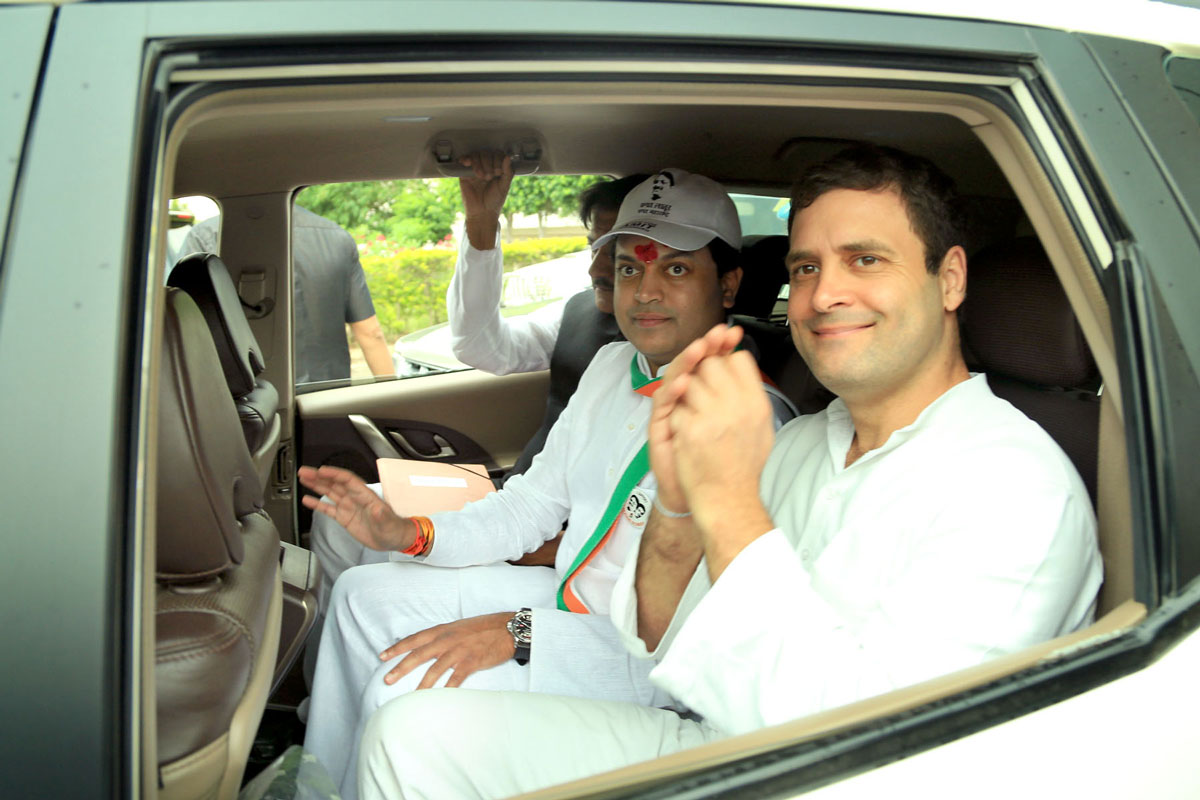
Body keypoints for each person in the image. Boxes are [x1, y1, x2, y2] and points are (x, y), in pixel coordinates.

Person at [354, 145, 1103, 800]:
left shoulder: (1015, 489)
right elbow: (657, 642)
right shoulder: (812, 442)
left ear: (949, 280)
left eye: (864, 260)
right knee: (409, 733)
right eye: (807, 267)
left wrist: (726, 502)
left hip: (803, 770)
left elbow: (868, 757)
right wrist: (678, 517)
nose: (825, 293)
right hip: (720, 730)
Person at [299, 168, 796, 800]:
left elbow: (687, 636)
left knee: (405, 685)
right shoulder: (615, 365)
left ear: (727, 285)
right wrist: (410, 532)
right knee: (362, 596)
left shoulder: (751, 418)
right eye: (628, 269)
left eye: (675, 270)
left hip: (640, 660)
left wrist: (525, 630)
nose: (645, 291)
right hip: (570, 599)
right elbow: (530, 505)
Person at [448, 150, 648, 476]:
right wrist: (481, 224)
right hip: (522, 504)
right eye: (594, 246)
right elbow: (479, 346)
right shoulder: (577, 313)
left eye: (617, 252)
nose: (595, 268)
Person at [181, 204, 394, 383]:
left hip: (249, 404)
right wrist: (391, 396)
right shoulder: (338, 237)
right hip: (329, 395)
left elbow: (187, 329)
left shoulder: (205, 237)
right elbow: (370, 332)